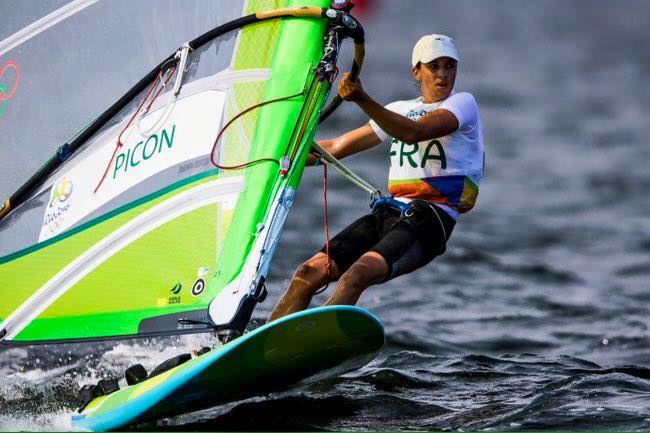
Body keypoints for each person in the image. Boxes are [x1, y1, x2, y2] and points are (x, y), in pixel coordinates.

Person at [269, 34, 484, 320]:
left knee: (358, 274)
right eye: (434, 66)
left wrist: (362, 98)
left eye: (449, 66)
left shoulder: (463, 103)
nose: (443, 74)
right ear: (417, 72)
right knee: (308, 273)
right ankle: (263, 340)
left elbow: (414, 132)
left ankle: (315, 335)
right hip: (390, 213)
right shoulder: (398, 110)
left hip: (431, 220)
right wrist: (274, 157)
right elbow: (336, 148)